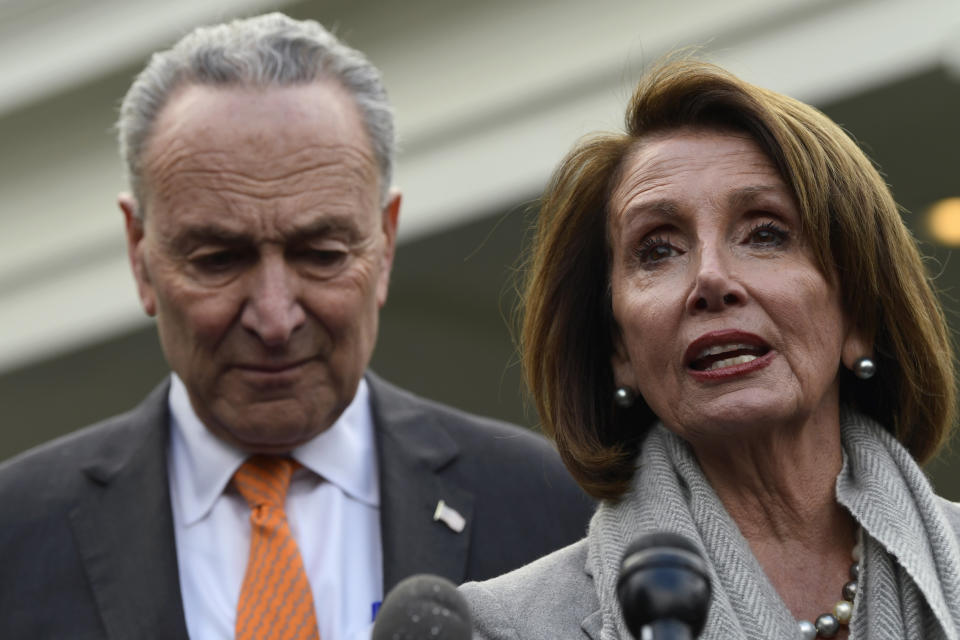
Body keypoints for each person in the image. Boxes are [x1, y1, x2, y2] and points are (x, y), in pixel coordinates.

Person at [0, 13, 593, 640]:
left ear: (385, 243)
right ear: (139, 252)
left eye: (322, 255)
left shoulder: (553, 513)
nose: (276, 318)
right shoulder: (17, 537)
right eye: (218, 260)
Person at [461, 58, 960, 640]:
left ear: (859, 318)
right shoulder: (506, 628)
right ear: (618, 347)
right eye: (658, 249)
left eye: (765, 233)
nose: (711, 279)